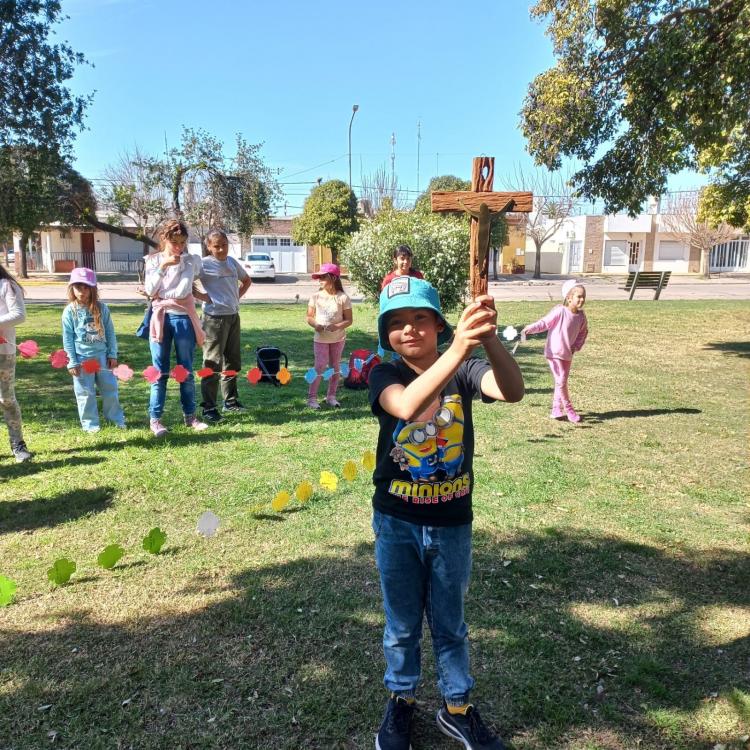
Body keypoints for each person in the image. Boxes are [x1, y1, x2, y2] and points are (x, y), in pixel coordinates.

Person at [368, 276, 524, 750]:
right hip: (397, 521)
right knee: (401, 625)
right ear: (385, 336)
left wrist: (489, 338)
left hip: (452, 522)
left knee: (450, 623)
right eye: (396, 323)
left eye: (420, 318)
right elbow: (410, 408)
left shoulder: (467, 370)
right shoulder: (384, 374)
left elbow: (513, 390)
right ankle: (401, 701)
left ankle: (457, 707)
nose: (409, 330)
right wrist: (458, 347)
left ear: (438, 324)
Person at [143, 219, 209, 436]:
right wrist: (162, 267)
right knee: (159, 372)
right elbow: (151, 288)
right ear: (164, 240)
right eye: (174, 242)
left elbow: (184, 290)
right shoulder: (153, 261)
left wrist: (160, 294)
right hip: (160, 318)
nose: (179, 247)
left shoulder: (191, 261)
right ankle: (156, 420)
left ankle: (190, 416)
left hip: (183, 318)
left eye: (182, 242)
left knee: (186, 371)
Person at [62, 268, 125, 433]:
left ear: (92, 288)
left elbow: (110, 332)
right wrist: (72, 361)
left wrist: (112, 354)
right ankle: (91, 426)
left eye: (85, 287)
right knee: (85, 393)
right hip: (82, 359)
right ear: (72, 289)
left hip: (102, 357)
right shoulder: (70, 311)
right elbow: (67, 338)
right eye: (78, 287)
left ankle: (116, 420)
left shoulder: (102, 308)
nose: (81, 292)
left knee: (110, 389)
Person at [197, 229, 252, 423]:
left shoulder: (231, 262)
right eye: (216, 246)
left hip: (233, 317)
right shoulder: (203, 265)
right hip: (214, 319)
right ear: (209, 247)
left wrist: (236, 296)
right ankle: (209, 408)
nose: (221, 249)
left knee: (232, 361)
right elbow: (188, 284)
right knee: (212, 363)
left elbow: (246, 280)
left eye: (224, 245)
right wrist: (204, 297)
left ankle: (230, 401)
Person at [521, 279, 588, 423]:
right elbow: (545, 323)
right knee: (561, 380)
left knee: (561, 382)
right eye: (579, 296)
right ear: (569, 298)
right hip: (554, 352)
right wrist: (530, 328)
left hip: (567, 354)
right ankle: (569, 409)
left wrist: (576, 346)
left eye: (584, 297)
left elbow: (583, 333)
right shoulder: (560, 311)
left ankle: (556, 410)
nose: (582, 300)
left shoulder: (581, 317)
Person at [305, 263, 352, 409]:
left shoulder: (343, 298)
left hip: (338, 339)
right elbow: (309, 317)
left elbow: (349, 320)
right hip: (320, 339)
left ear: (333, 278)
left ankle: (331, 396)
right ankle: (311, 398)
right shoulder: (316, 297)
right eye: (319, 277)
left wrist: (337, 326)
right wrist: (316, 325)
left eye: (323, 277)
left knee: (335, 366)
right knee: (319, 366)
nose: (320, 280)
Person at [0, 265, 32, 462]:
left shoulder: (7, 286)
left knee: (6, 399)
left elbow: (19, 314)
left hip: (4, 353)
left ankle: (18, 444)